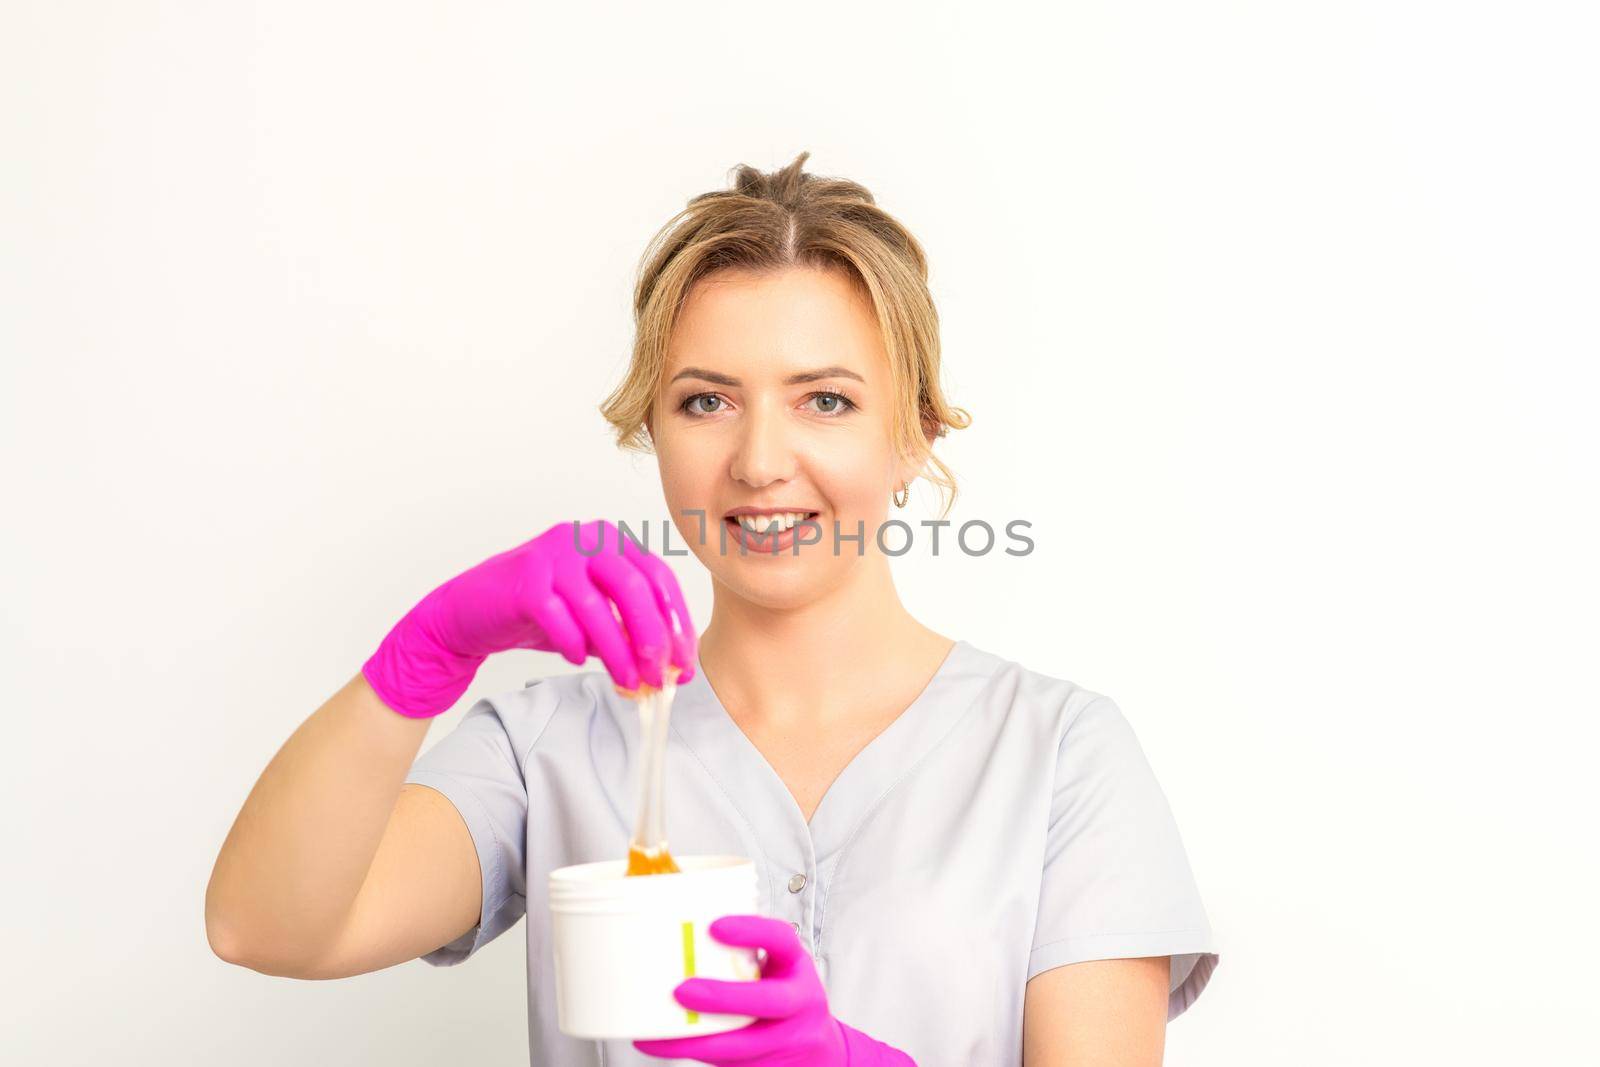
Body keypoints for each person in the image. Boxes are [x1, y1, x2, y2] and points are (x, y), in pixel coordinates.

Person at [205, 151, 1219, 1066]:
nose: (760, 462)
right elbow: (270, 926)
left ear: (911, 433)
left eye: (825, 399)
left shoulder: (1057, 757)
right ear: (653, 427)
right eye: (705, 400)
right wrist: (424, 655)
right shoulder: (548, 747)